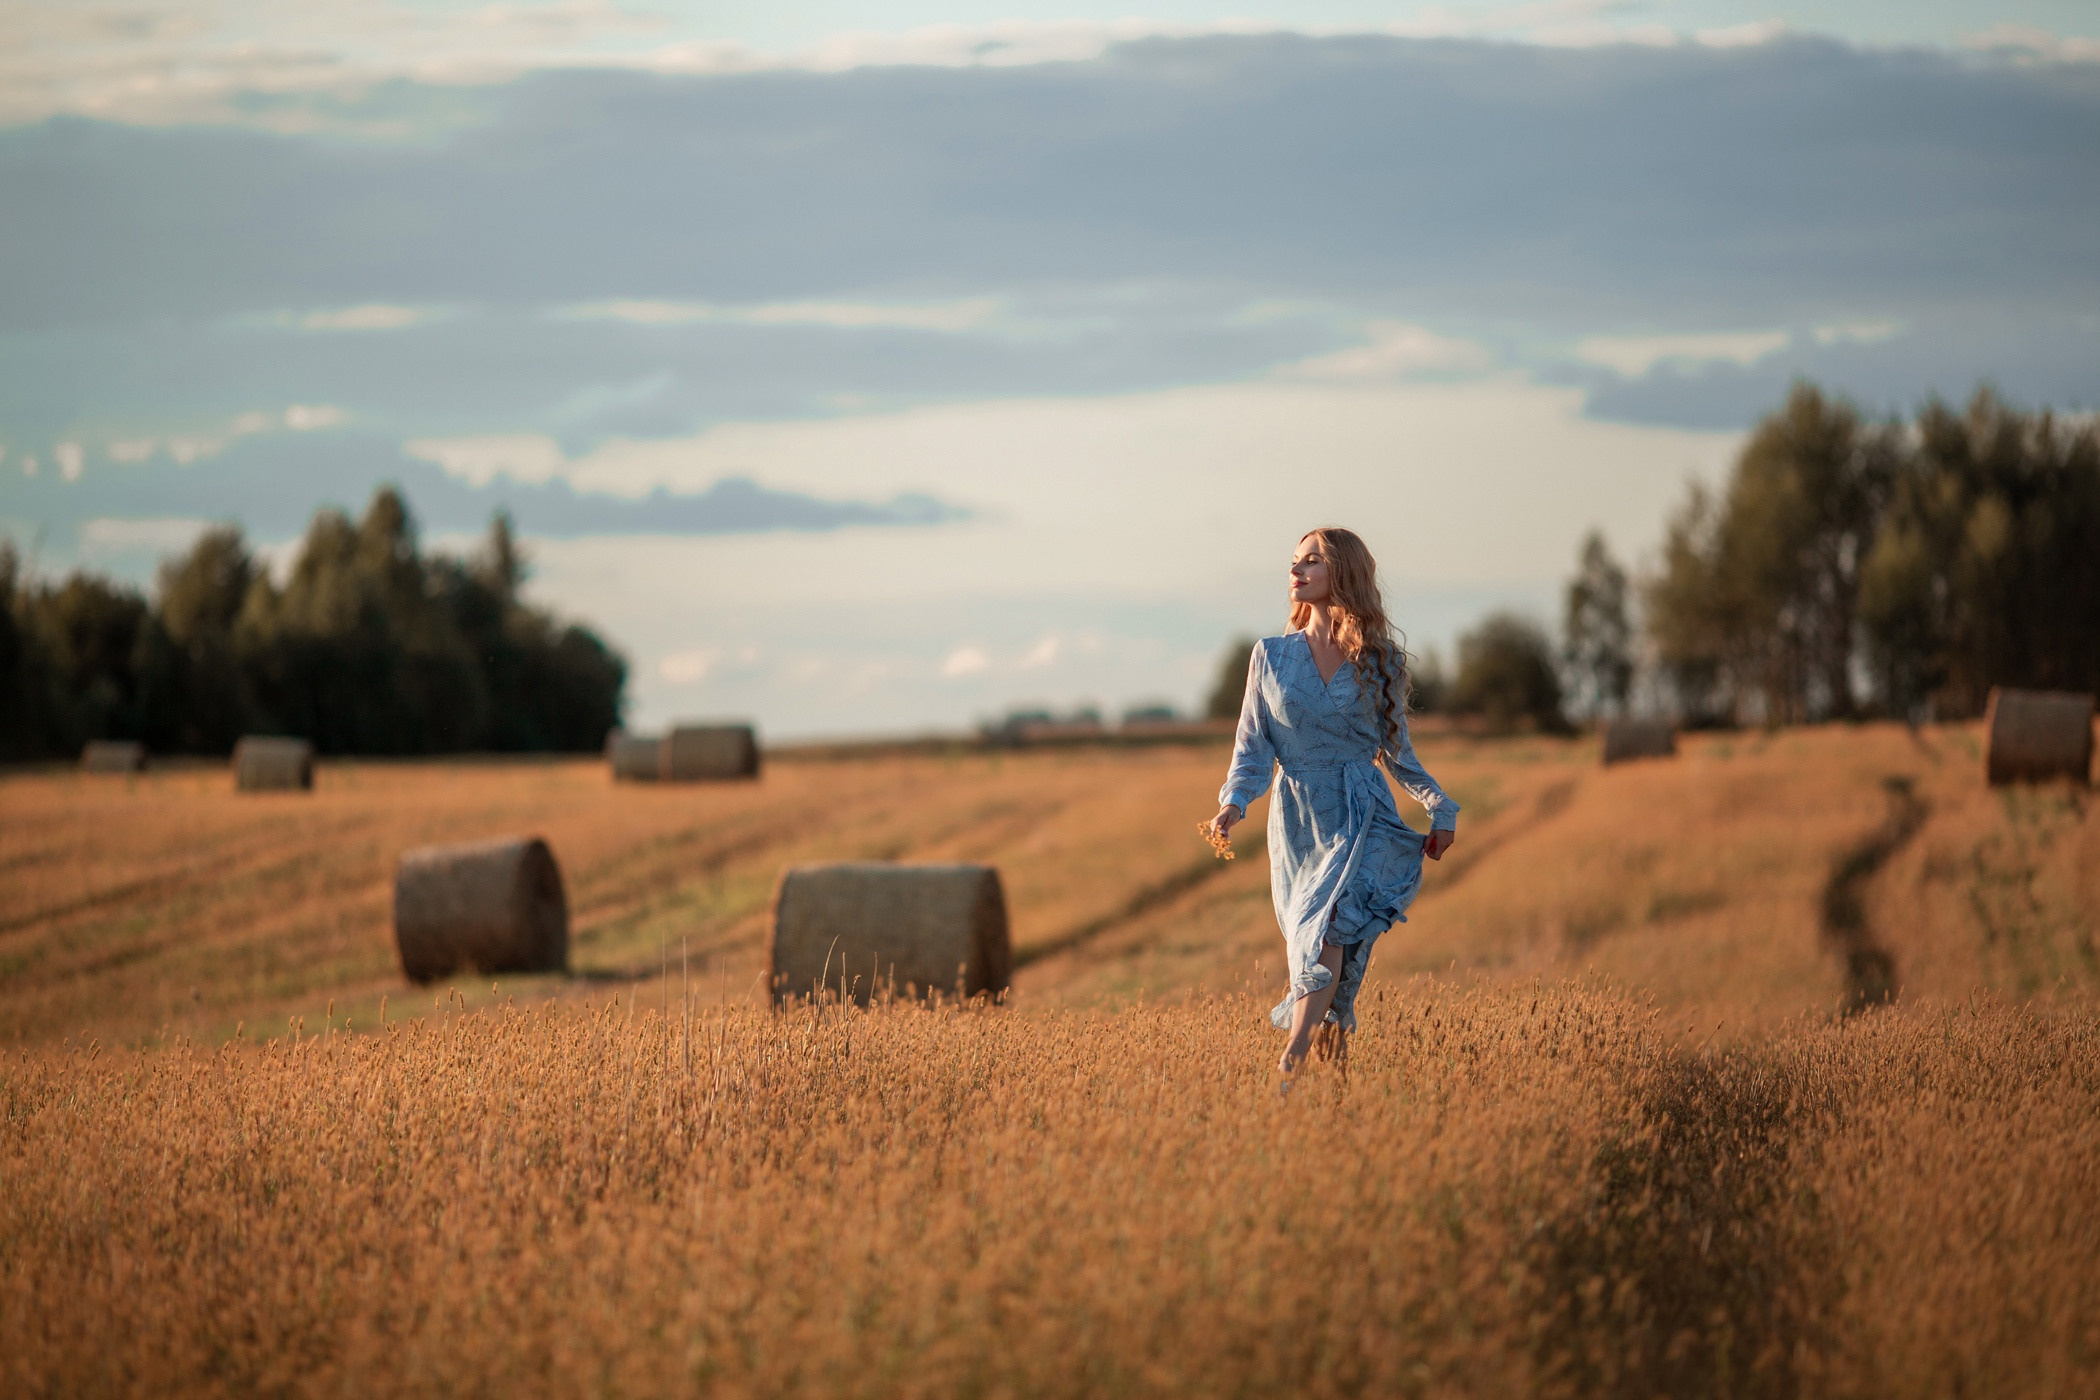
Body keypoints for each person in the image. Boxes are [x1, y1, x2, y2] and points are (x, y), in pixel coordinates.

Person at [1209, 527, 1459, 1076]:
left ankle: (1292, 1056)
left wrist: (1440, 807)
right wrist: (1233, 802)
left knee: (1332, 926)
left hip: (1363, 812)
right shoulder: (1271, 656)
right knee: (1322, 946)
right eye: (1295, 561)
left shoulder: (1381, 661)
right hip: (1299, 821)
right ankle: (1333, 1085)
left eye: (1311, 561)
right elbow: (1252, 747)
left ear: (1342, 572)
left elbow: (1398, 755)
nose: (1295, 570)